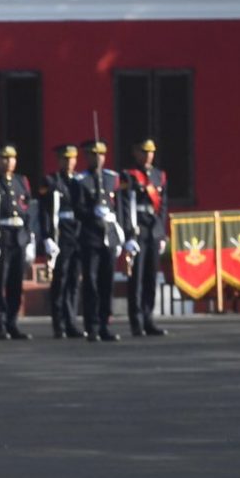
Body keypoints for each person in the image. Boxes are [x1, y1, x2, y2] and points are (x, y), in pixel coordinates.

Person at [0, 145, 35, 340]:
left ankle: (12, 322)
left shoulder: (21, 181)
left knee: (16, 282)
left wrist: (29, 236)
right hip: (1, 236)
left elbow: (27, 210)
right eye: (4, 158)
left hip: (19, 236)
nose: (9, 162)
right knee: (0, 281)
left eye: (12, 158)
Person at [120, 138, 170, 338]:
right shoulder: (129, 175)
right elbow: (125, 206)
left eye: (151, 152)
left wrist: (161, 232)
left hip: (153, 230)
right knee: (137, 278)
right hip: (138, 229)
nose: (148, 155)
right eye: (144, 151)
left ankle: (149, 320)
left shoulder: (159, 176)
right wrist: (128, 235)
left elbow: (162, 206)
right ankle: (137, 322)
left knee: (151, 277)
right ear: (136, 153)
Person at [74, 140, 121, 342]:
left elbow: (120, 206)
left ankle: (104, 324)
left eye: (101, 154)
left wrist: (120, 232)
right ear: (87, 157)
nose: (98, 158)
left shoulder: (112, 178)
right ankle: (92, 325)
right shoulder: (80, 180)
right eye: (94, 155)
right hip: (90, 236)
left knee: (107, 282)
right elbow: (78, 209)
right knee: (91, 282)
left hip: (108, 236)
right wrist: (93, 212)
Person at [40, 144, 84, 339]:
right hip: (60, 235)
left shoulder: (79, 181)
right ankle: (59, 323)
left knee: (74, 280)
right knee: (60, 280)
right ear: (59, 161)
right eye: (65, 159)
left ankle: (71, 321)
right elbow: (44, 211)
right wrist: (47, 237)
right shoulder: (51, 181)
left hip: (77, 234)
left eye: (71, 158)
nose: (68, 162)